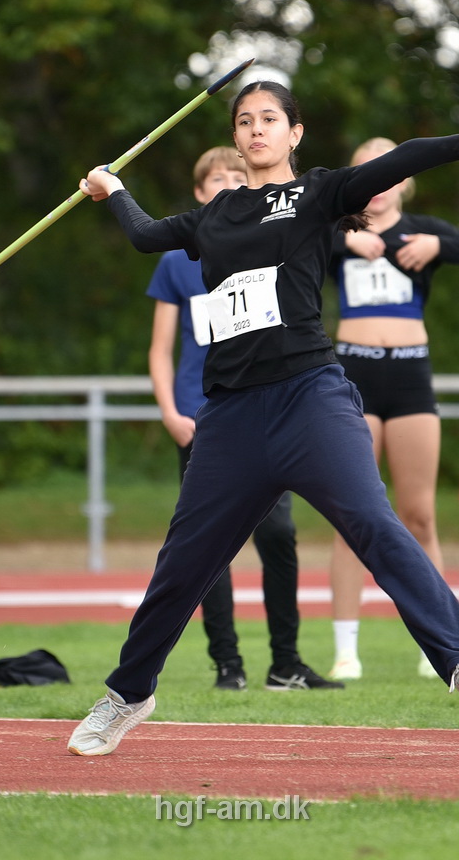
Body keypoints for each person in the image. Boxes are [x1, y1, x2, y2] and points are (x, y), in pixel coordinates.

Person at [67, 79, 459, 756]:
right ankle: (128, 693)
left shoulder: (318, 193)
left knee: (374, 525)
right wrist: (110, 190)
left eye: (269, 119)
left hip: (309, 400)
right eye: (244, 121)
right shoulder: (215, 216)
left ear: (294, 133)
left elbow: (399, 161)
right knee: (182, 564)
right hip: (229, 414)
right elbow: (147, 237)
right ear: (235, 138)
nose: (256, 129)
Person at [147, 145, 341, 691]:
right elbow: (161, 348)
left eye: (237, 175)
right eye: (217, 178)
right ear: (199, 191)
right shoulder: (176, 260)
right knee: (211, 543)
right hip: (202, 412)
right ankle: (227, 664)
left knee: (278, 532)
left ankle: (286, 662)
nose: (229, 183)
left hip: (267, 403)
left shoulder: (269, 238)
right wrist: (170, 410)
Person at [327, 137, 459, 681]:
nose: (381, 180)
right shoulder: (336, 226)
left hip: (412, 376)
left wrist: (438, 250)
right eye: (369, 168)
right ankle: (346, 650)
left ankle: (437, 643)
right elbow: (291, 247)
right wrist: (349, 246)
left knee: (418, 515)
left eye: (389, 170)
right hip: (353, 375)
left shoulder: (425, 230)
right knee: (351, 516)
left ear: (405, 179)